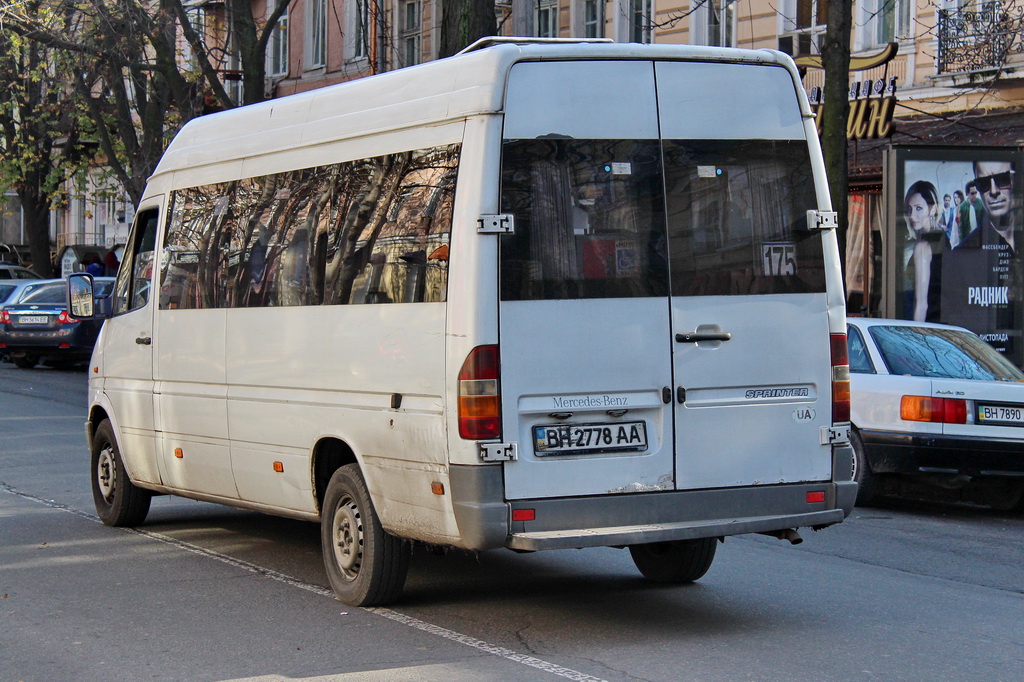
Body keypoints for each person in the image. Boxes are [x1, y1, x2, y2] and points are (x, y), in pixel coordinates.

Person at [903, 180, 942, 322]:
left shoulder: (922, 247)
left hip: (926, 327)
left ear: (932, 209)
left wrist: (915, 338)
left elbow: (921, 304)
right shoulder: (943, 239)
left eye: (918, 208)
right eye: (909, 209)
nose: (912, 215)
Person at [955, 180, 985, 248]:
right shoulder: (962, 207)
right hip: (968, 239)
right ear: (967, 194)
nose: (974, 195)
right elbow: (961, 227)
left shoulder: (980, 203)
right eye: (972, 193)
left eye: (975, 193)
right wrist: (962, 243)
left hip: (980, 239)